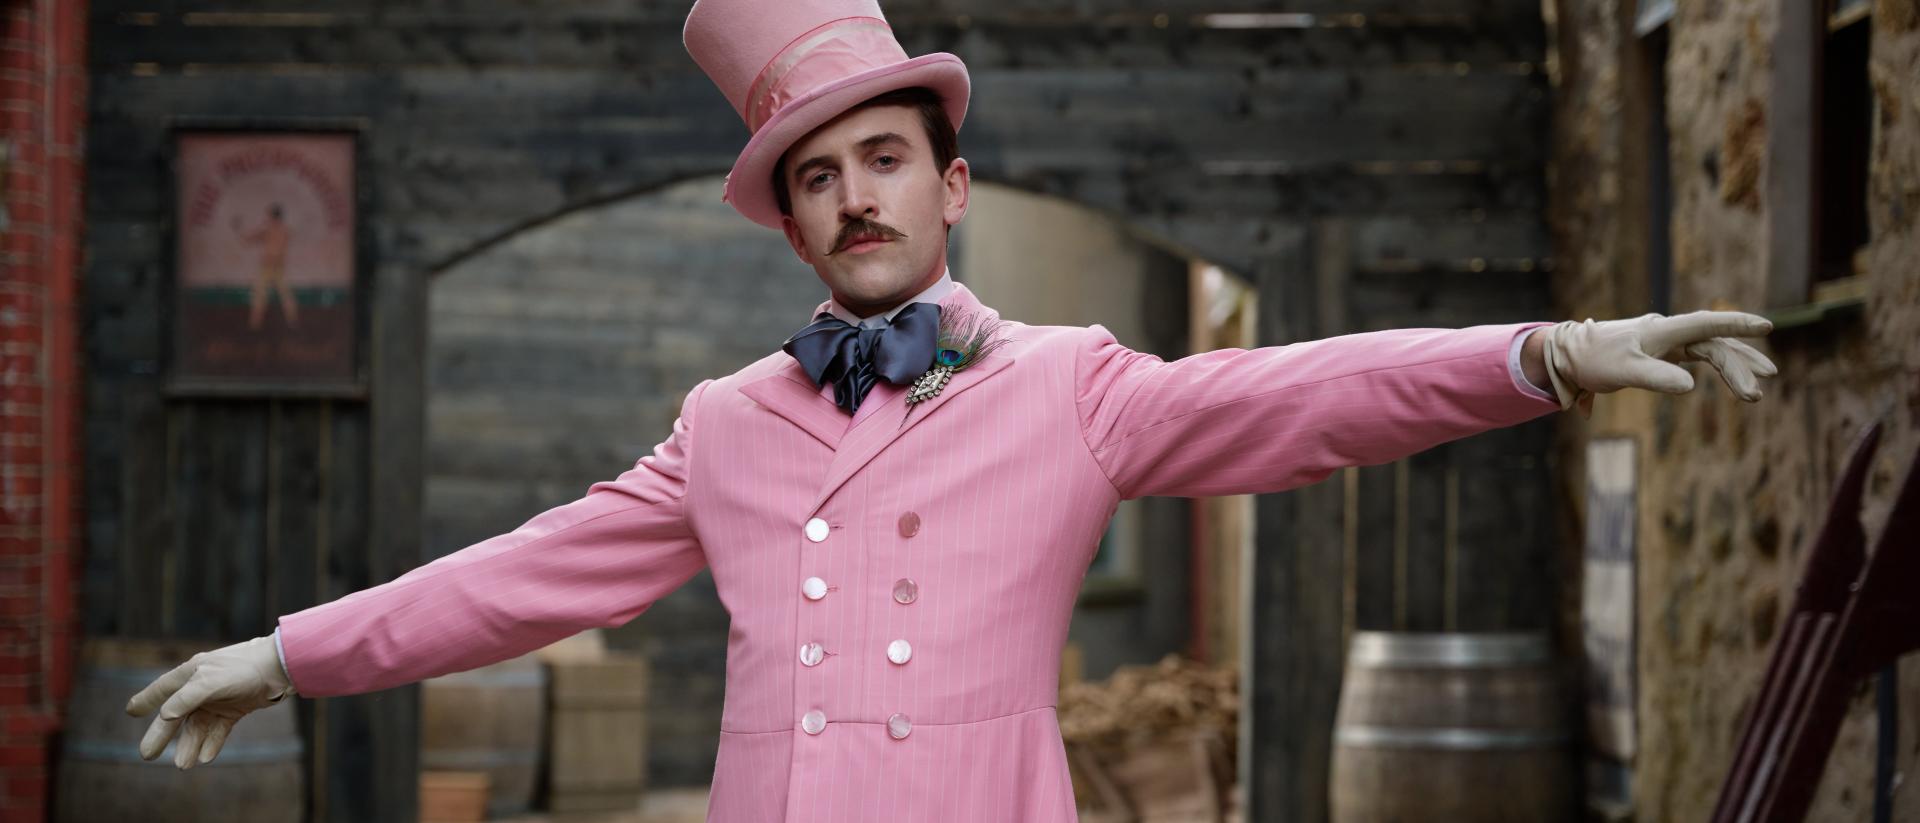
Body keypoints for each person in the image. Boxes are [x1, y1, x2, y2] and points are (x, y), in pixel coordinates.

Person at [125, 0, 1778, 819]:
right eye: (819, 177)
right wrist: (291, 654)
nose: (856, 198)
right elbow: (517, 575)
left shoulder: (1073, 386)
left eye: (886, 161)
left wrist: (1548, 354)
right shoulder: (725, 421)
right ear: (790, 219)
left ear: (952, 182)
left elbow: (1302, 394)